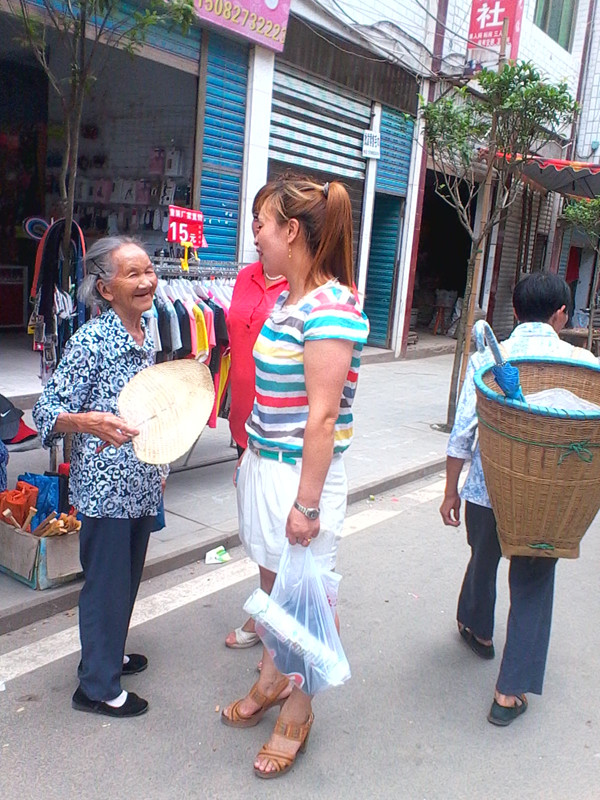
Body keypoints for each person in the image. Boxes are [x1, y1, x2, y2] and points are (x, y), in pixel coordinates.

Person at [221, 175, 369, 778]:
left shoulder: (331, 307)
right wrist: (250, 454)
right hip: (266, 463)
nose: (255, 236)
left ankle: (299, 710)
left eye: (261, 224)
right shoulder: (288, 299)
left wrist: (307, 505)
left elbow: (323, 416)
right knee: (274, 585)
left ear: (291, 231)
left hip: (301, 479)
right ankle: (272, 677)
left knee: (307, 601)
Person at [440, 272, 598, 726]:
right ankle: (509, 694)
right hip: (547, 499)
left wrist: (450, 491)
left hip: (487, 488)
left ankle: (478, 631)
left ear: (515, 308)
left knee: (482, 556)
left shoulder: (488, 360)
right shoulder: (583, 364)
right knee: (533, 581)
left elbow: (463, 432)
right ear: (561, 314)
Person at [33, 236, 165, 718]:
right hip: (107, 487)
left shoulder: (147, 330)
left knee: (125, 579)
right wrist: (88, 422)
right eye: (133, 274)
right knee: (105, 585)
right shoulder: (90, 341)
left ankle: (106, 656)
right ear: (106, 289)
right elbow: (46, 411)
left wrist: (163, 463)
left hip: (144, 478)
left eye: (148, 270)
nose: (147, 281)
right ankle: (96, 689)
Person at [225, 183, 288, 650]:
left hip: (280, 430)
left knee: (277, 532)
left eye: (262, 220)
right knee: (257, 528)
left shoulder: (305, 289)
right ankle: (269, 611)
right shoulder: (245, 276)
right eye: (254, 218)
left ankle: (276, 628)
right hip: (244, 424)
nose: (254, 229)